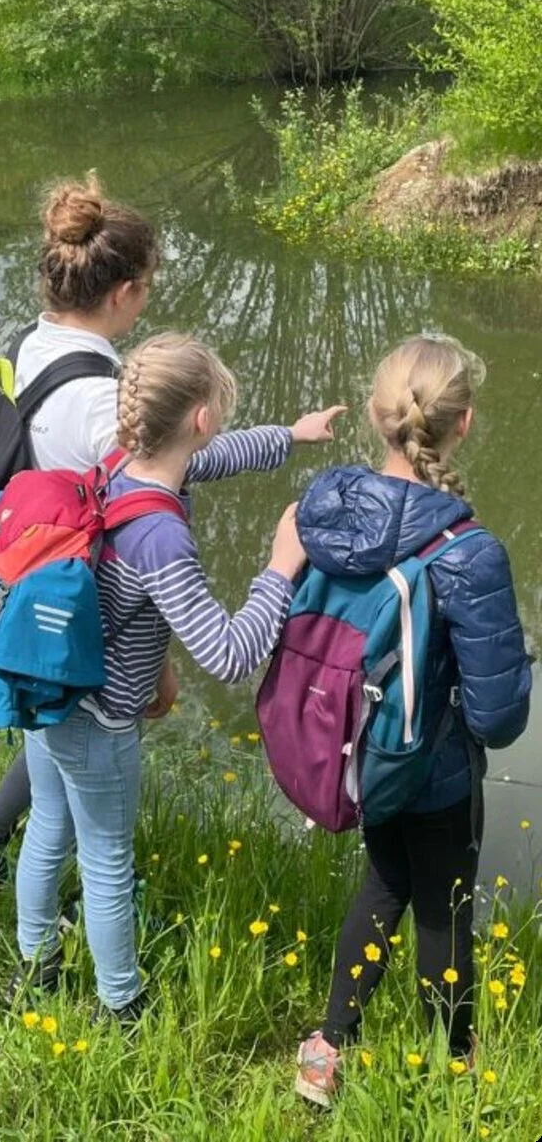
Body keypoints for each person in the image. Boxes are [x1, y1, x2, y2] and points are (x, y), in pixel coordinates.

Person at [12, 332, 342, 1020]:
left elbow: (218, 455)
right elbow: (228, 654)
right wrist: (281, 566)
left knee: (47, 824)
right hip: (101, 719)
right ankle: (121, 1003)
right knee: (107, 859)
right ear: (200, 416)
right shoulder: (160, 535)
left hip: (50, 688)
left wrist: (292, 434)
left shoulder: (118, 464)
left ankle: (35, 964)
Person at [293, 336, 530, 1106]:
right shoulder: (469, 550)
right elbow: (498, 718)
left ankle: (326, 1050)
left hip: (355, 750)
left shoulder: (326, 513)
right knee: (444, 908)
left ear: (374, 413)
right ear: (464, 424)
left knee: (383, 880)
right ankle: (454, 1065)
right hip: (434, 771)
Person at [0, 175, 159, 889]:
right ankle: (97, 906)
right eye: (147, 286)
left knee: (52, 731)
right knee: (84, 749)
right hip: (71, 594)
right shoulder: (102, 402)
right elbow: (145, 517)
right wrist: (158, 659)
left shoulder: (33, 342)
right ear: (124, 292)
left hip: (13, 565)